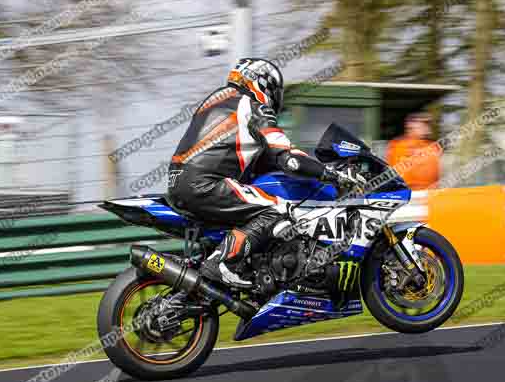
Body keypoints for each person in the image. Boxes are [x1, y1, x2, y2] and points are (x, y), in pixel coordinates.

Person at [166, 58, 361, 288]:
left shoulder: (216, 101)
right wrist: (330, 174)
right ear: (262, 82)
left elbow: (256, 157)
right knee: (278, 208)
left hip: (179, 181)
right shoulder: (252, 105)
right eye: (275, 91)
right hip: (205, 184)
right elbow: (289, 160)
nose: (275, 98)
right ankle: (222, 262)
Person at [385, 112, 442, 190]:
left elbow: (438, 174)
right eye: (424, 124)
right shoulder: (397, 146)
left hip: (429, 193)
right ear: (411, 126)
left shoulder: (433, 147)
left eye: (427, 124)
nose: (428, 128)